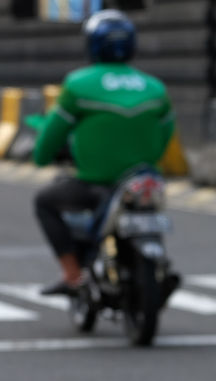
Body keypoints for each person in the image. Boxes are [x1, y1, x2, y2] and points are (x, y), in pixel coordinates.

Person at [32, 9, 175, 296]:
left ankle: (72, 275)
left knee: (44, 201)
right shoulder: (155, 88)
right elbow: (165, 138)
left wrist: (42, 156)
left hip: (97, 183)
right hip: (142, 182)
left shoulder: (78, 84)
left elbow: (50, 137)